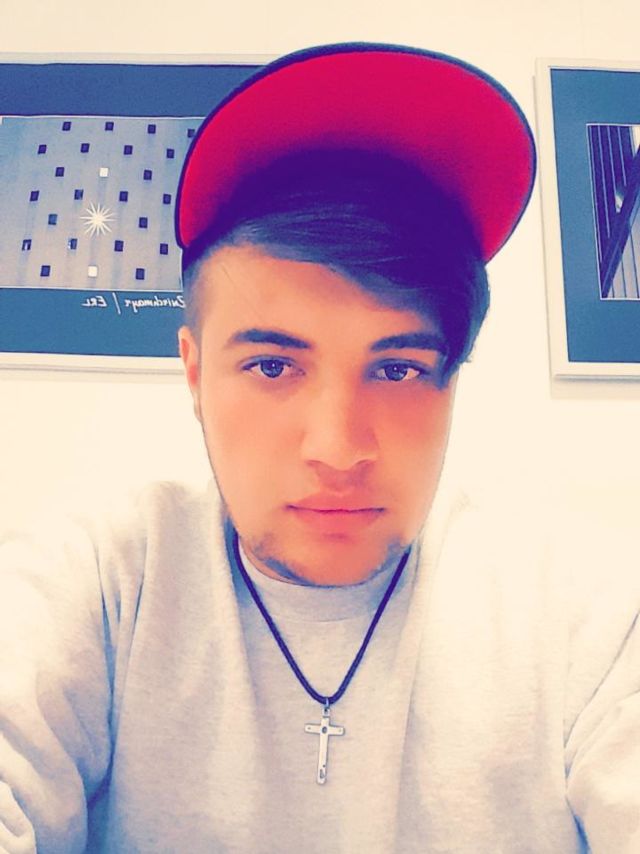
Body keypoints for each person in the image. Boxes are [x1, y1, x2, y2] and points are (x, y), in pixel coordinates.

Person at [1, 43, 638, 854]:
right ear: (194, 374)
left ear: (452, 379)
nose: (337, 451)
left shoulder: (586, 616)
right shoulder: (100, 578)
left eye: (399, 369)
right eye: (272, 366)